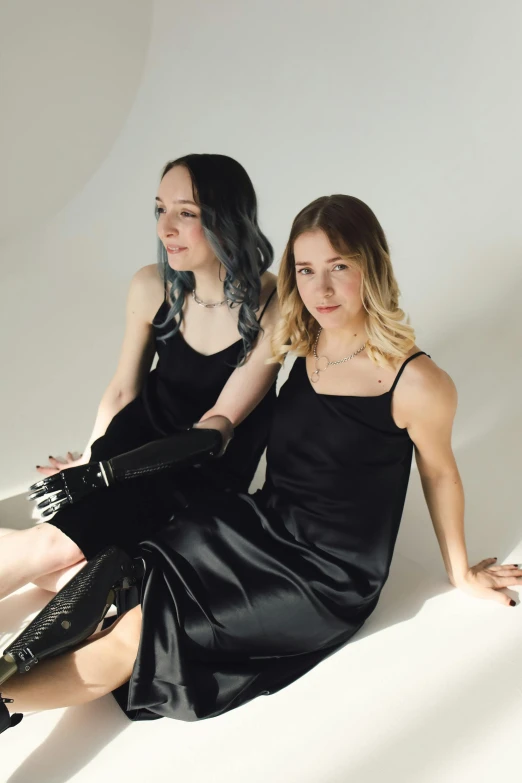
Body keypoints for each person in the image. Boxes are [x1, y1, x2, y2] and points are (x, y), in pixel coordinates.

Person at [1, 194, 520, 736]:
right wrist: (96, 459)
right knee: (116, 572)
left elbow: (440, 473)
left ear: (373, 265)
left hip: (323, 575)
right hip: (256, 526)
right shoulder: (302, 338)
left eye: (339, 267)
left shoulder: (416, 383)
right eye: (306, 269)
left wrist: (460, 572)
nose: (321, 288)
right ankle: (10, 664)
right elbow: (219, 319)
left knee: (138, 633)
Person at [0, 153, 280, 599]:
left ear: (228, 219)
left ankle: (10, 546)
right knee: (56, 552)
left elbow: (219, 423)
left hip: (204, 471)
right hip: (134, 444)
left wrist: (102, 475)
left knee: (114, 584)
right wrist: (93, 459)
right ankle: (24, 547)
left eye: (185, 213)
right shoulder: (152, 285)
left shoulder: (275, 305)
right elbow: (122, 389)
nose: (164, 228)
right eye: (159, 209)